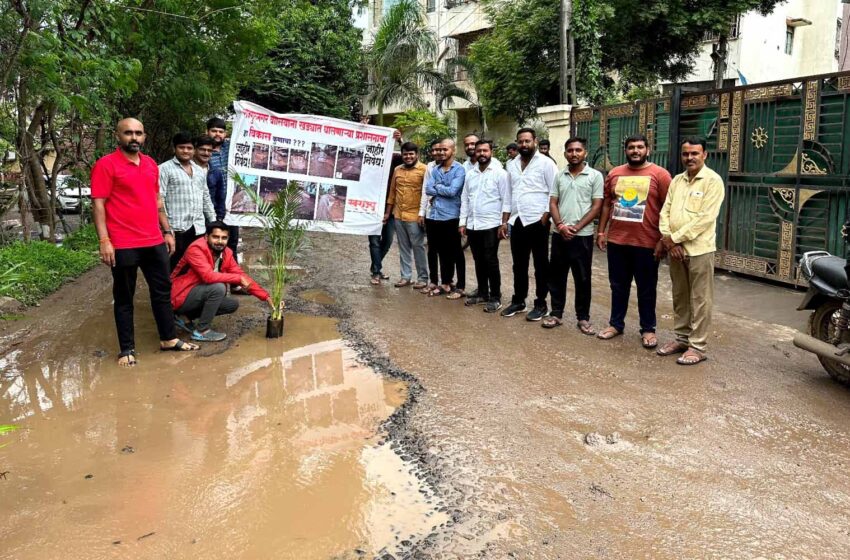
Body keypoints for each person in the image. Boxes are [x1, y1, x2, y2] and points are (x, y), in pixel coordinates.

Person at [91, 118, 199, 366]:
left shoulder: (151, 165)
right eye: (128, 133)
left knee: (162, 292)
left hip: (154, 241)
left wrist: (167, 230)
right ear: (118, 136)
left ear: (145, 136)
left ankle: (168, 338)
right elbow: (98, 204)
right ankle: (126, 349)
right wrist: (104, 240)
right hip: (123, 242)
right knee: (124, 297)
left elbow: (157, 200)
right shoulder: (106, 165)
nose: (134, 137)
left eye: (138, 133)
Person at [595, 134, 672, 348]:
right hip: (618, 241)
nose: (635, 151)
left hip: (647, 243)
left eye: (639, 147)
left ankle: (648, 329)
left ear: (648, 150)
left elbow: (669, 208)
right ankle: (615, 324)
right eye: (631, 147)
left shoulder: (660, 175)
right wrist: (601, 232)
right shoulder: (615, 173)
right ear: (625, 150)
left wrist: (664, 240)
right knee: (618, 286)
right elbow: (607, 205)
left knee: (646, 288)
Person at [657, 137, 725, 365]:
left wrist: (674, 239)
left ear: (704, 154)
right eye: (686, 153)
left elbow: (705, 219)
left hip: (699, 250)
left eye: (694, 153)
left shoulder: (713, 181)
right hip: (675, 250)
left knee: (700, 299)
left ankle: (698, 346)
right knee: (680, 296)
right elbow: (665, 211)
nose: (689, 158)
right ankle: (682, 338)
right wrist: (669, 242)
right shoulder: (677, 180)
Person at [543, 137, 603, 333]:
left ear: (585, 152)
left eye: (578, 150)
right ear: (565, 153)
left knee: (583, 278)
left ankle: (583, 318)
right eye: (570, 150)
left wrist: (576, 228)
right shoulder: (560, 175)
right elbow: (553, 202)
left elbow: (596, 207)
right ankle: (556, 313)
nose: (574, 154)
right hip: (559, 234)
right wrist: (560, 225)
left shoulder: (594, 176)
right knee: (557, 276)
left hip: (582, 236)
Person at [171, 222, 270, 342]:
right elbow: (208, 276)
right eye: (215, 237)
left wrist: (266, 297)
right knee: (218, 288)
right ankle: (202, 331)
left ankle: (184, 317)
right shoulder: (196, 248)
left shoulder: (226, 253)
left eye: (224, 238)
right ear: (206, 237)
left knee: (231, 305)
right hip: (177, 294)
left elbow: (241, 275)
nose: (220, 241)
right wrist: (237, 279)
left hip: (195, 293)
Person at [501, 128, 558, 321]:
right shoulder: (511, 165)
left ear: (535, 141)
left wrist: (547, 216)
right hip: (517, 220)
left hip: (537, 220)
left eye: (527, 141)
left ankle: (541, 304)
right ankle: (519, 301)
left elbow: (554, 191)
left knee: (541, 264)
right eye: (520, 141)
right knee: (519, 264)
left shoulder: (546, 163)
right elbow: (509, 194)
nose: (524, 145)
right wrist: (505, 219)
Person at [459, 139, 510, 313]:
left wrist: (504, 224)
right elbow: (465, 199)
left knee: (491, 260)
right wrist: (462, 222)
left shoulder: (500, 173)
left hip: (491, 225)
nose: (481, 154)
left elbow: (506, 201)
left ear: (491, 152)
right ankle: (482, 293)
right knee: (478, 260)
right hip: (473, 224)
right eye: (479, 151)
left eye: (485, 151)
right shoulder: (470, 174)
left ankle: (495, 297)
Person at [160, 131, 215, 269]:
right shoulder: (163, 169)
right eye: (181, 147)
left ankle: (190, 291)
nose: (185, 151)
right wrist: (166, 230)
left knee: (195, 268)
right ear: (174, 148)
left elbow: (206, 197)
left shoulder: (199, 171)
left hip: (198, 229)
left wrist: (214, 223)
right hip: (176, 229)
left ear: (194, 150)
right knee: (174, 268)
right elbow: (159, 199)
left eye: (189, 148)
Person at [424, 139, 466, 299]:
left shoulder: (459, 170)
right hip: (435, 216)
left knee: (453, 251)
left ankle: (456, 285)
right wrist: (441, 188)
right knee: (438, 250)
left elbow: (453, 191)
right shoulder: (436, 169)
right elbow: (428, 189)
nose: (442, 152)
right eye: (440, 150)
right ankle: (443, 282)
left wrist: (437, 188)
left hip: (451, 216)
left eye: (445, 149)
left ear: (453, 151)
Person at [384, 142, 429, 289]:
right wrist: (388, 213)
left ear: (417, 155)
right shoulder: (397, 170)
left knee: (418, 247)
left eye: (411, 154)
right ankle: (406, 277)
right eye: (405, 154)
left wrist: (423, 214)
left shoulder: (425, 170)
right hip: (398, 215)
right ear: (402, 155)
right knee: (403, 247)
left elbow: (428, 194)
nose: (408, 157)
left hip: (415, 216)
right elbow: (392, 193)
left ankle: (423, 278)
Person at [207, 117, 243, 294]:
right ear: (207, 132)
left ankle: (235, 283)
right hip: (212, 206)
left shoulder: (231, 147)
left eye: (220, 131)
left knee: (232, 243)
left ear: (225, 134)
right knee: (211, 244)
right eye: (214, 130)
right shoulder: (203, 150)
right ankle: (212, 284)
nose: (217, 134)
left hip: (231, 205)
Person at [368, 130, 403, 285]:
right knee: (374, 242)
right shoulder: (367, 161)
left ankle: (375, 265)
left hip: (390, 208)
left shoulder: (394, 159)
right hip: (371, 208)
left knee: (387, 241)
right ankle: (376, 272)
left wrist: (400, 140)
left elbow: (410, 157)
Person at [418, 139, 445, 294]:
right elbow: (425, 190)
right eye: (434, 150)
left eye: (440, 150)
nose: (437, 152)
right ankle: (433, 281)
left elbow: (452, 191)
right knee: (432, 249)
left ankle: (447, 282)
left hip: (447, 215)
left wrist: (435, 190)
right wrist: (422, 212)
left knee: (446, 251)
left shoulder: (456, 168)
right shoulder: (430, 166)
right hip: (431, 213)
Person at [196, 135, 226, 222]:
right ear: (195, 150)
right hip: (190, 219)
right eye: (202, 149)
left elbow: (220, 197)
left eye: (209, 150)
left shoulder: (216, 172)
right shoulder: (187, 170)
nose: (206, 153)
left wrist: (219, 218)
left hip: (210, 218)